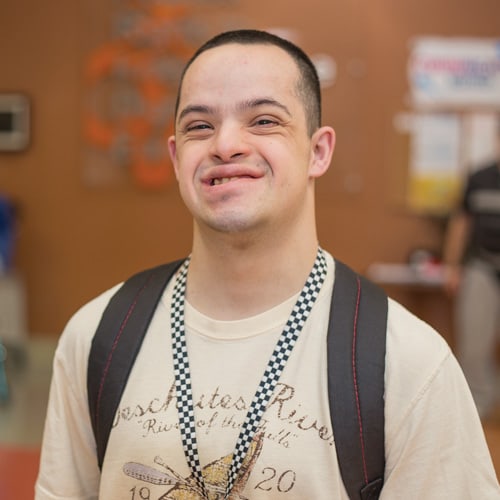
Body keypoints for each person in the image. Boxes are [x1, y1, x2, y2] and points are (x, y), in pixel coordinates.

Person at [36, 30, 500, 499]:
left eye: (263, 121)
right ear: (176, 158)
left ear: (318, 152)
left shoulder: (407, 364)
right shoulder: (97, 336)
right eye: (199, 126)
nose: (226, 144)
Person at [443, 133, 500, 420]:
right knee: (473, 344)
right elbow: (460, 224)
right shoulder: (479, 178)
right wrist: (452, 266)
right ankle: (477, 406)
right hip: (481, 267)